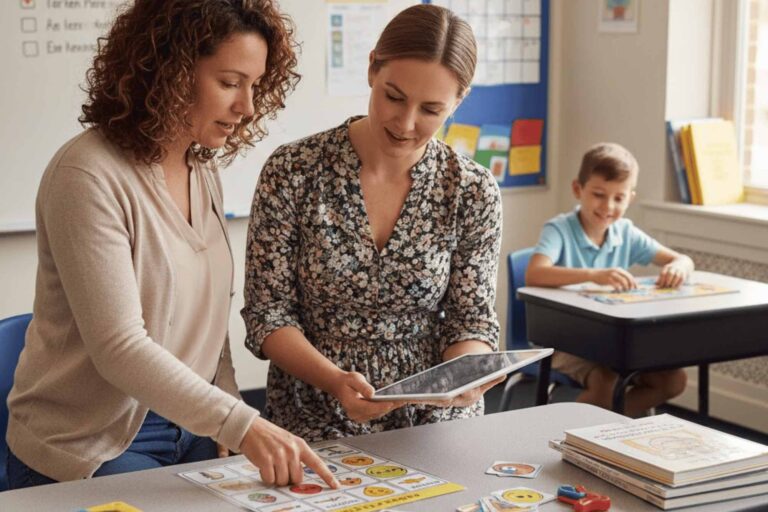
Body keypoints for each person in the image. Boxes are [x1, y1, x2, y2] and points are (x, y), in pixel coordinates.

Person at [6, 0, 336, 490]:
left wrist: (228, 403)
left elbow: (206, 319)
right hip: (91, 440)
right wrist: (239, 424)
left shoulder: (201, 169)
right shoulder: (87, 175)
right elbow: (120, 347)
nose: (247, 106)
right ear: (169, 71)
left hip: (193, 423)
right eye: (229, 83)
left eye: (254, 84)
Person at [242, 4, 503, 441]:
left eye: (431, 110)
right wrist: (334, 381)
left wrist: (465, 375)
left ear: (459, 100)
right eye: (394, 97)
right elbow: (268, 314)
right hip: (312, 415)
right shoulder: (294, 170)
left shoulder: (471, 190)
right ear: (371, 70)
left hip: (432, 424)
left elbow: (471, 319)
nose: (405, 123)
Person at [526, 142, 693, 417]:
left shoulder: (625, 232)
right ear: (578, 190)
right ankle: (573, 434)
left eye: (619, 198)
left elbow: (682, 260)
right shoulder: (560, 229)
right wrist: (595, 276)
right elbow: (535, 273)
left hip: (612, 340)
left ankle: (605, 428)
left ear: (630, 198)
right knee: (607, 380)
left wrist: (679, 267)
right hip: (564, 338)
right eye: (599, 195)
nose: (608, 206)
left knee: (673, 380)